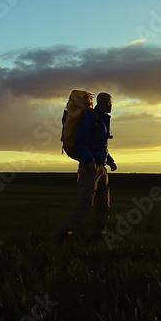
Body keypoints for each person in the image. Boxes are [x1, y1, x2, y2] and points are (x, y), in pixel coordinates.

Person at [52, 92, 117, 243]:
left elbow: (101, 146)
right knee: (85, 202)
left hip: (101, 168)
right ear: (106, 103)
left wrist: (110, 161)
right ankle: (63, 232)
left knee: (104, 204)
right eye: (111, 102)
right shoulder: (91, 117)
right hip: (91, 168)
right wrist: (89, 161)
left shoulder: (102, 119)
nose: (111, 105)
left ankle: (100, 233)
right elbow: (81, 140)